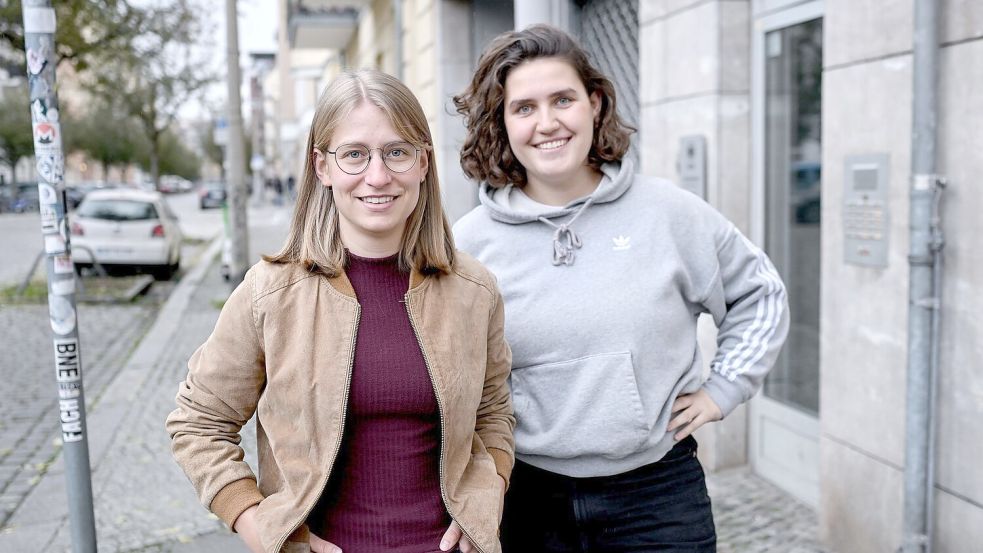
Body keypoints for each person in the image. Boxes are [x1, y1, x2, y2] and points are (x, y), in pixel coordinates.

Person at [452, 25, 789, 552]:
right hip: (525, 496)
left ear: (595, 102)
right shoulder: (467, 243)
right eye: (524, 108)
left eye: (562, 99)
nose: (547, 123)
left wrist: (725, 387)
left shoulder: (669, 214)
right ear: (502, 122)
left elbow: (761, 293)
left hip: (656, 496)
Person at [167, 69, 514, 553]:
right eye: (354, 154)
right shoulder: (271, 293)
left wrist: (488, 493)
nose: (378, 175)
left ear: (422, 163)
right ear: (322, 167)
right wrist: (257, 524)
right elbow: (198, 422)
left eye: (397, 151)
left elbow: (494, 410)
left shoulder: (473, 290)